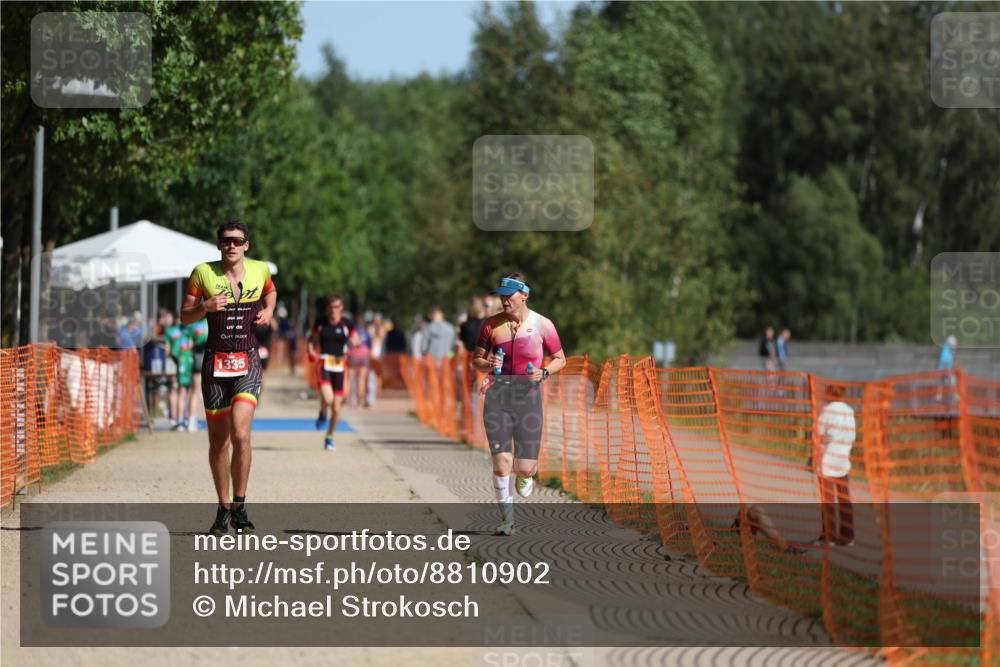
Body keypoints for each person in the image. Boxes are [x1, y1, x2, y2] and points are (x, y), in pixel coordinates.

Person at [181, 220, 276, 536]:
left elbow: (271, 294)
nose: (231, 245)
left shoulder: (261, 270)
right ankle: (223, 508)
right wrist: (205, 307)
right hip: (215, 365)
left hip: (247, 361)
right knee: (218, 441)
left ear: (246, 245)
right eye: (226, 241)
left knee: (241, 433)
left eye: (237, 241)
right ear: (219, 244)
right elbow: (184, 315)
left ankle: (241, 504)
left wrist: (270, 311)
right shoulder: (202, 273)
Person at [473, 273, 566, 536]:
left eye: (508, 294)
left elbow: (560, 358)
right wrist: (487, 364)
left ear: (524, 295)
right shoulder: (491, 326)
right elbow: (476, 360)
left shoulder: (542, 324)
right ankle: (507, 521)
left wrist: (544, 372)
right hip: (498, 397)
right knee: (501, 462)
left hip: (528, 399)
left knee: (524, 466)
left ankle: (527, 474)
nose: (504, 299)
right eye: (501, 295)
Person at [308, 294, 353, 450]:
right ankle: (322, 411)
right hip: (324, 363)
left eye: (337, 307)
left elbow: (356, 339)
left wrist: (355, 342)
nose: (333, 310)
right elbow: (312, 339)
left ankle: (329, 437)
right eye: (331, 307)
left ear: (341, 308)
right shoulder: (320, 322)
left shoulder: (347, 324)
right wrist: (311, 351)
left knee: (337, 407)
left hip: (340, 366)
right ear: (327, 308)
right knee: (328, 399)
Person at [813, 385, 856, 547]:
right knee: (845, 499)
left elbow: (819, 435)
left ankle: (828, 537)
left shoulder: (828, 411)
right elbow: (852, 435)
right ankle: (847, 537)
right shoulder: (850, 411)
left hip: (827, 460)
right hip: (843, 459)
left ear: (829, 394)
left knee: (828, 500)